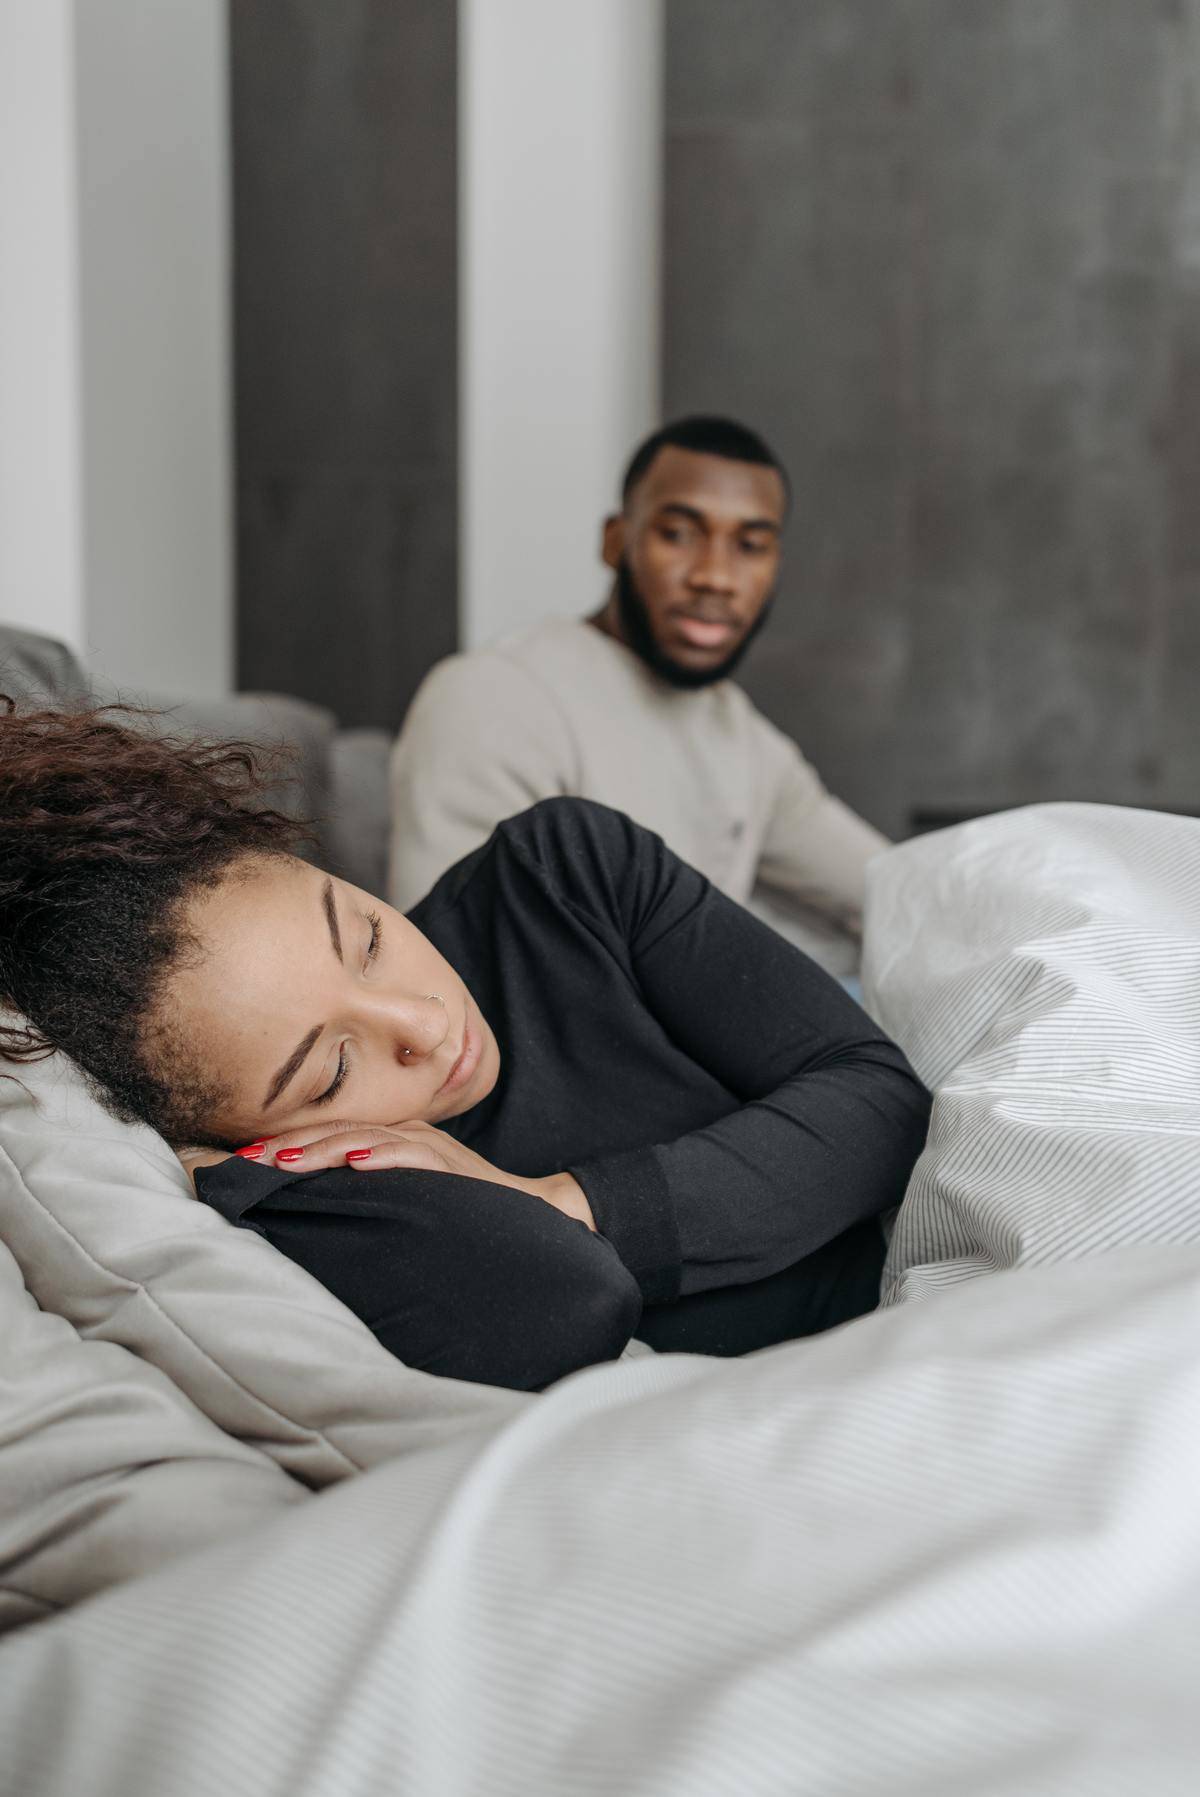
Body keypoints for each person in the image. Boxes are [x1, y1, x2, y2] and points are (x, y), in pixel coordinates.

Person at [0, 702, 930, 1392]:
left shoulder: (565, 874)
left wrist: (561, 1201)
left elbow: (882, 1101)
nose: (422, 1024)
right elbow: (565, 1302)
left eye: (365, 935)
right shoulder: (313, 1184)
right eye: (331, 1070)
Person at [389, 415, 889, 971]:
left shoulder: (740, 734)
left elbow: (890, 888)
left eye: (750, 545)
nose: (715, 576)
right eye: (678, 534)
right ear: (616, 541)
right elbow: (447, 969)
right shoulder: (489, 698)